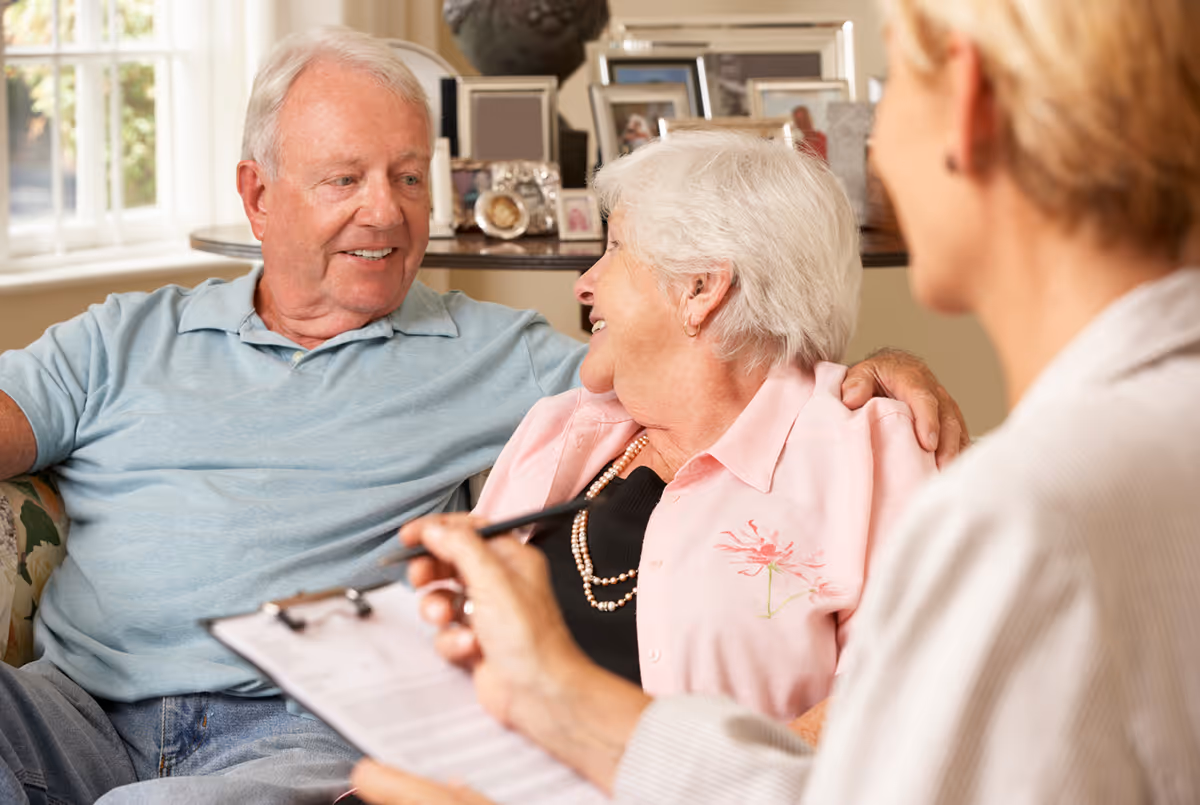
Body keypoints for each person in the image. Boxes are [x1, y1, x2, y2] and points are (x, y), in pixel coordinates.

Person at [0, 26, 963, 805]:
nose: (387, 212)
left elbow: (725, 375)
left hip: (297, 732)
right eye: (345, 180)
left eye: (409, 176)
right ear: (259, 196)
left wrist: (882, 369)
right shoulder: (124, 336)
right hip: (77, 701)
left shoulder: (506, 361)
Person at [351, 0, 1200, 802]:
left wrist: (562, 709)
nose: (873, 148)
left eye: (894, 84)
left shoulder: (1015, 515)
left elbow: (861, 783)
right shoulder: (1137, 444)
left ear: (968, 105)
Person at [470, 130, 935, 724]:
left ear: (700, 289)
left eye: (614, 249)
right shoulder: (560, 428)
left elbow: (901, 712)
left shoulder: (870, 454)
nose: (584, 283)